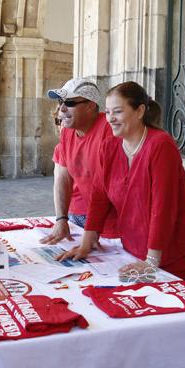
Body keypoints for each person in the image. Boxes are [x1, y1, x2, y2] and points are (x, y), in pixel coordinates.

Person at [57, 81, 185, 279]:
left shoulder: (160, 144)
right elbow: (99, 194)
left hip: (167, 251)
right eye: (107, 112)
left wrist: (152, 260)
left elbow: (163, 206)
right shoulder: (110, 146)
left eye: (117, 112)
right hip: (132, 246)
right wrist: (87, 242)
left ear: (139, 111)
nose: (110, 119)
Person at [40, 79, 118, 245]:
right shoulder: (68, 132)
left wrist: (92, 232)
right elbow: (62, 177)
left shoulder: (109, 130)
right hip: (86, 220)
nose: (61, 108)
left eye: (69, 102)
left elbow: (105, 187)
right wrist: (61, 219)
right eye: (61, 102)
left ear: (90, 106)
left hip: (115, 225)